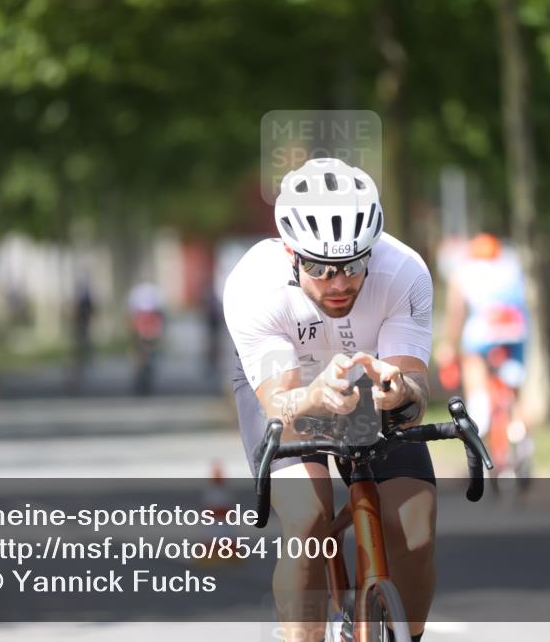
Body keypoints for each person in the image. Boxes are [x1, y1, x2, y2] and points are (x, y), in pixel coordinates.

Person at [223, 157, 435, 642]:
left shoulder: (405, 271)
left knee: (415, 526)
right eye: (319, 267)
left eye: (354, 264)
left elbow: (416, 393)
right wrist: (314, 397)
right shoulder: (255, 285)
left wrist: (398, 391)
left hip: (366, 381)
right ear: (290, 253)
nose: (339, 282)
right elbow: (279, 402)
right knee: (307, 517)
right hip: (288, 386)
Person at [434, 233, 529, 452]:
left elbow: (456, 313)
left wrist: (449, 344)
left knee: (472, 362)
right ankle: (518, 425)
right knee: (514, 382)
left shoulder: (464, 272)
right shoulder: (511, 267)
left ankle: (480, 414)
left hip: (484, 329)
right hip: (514, 327)